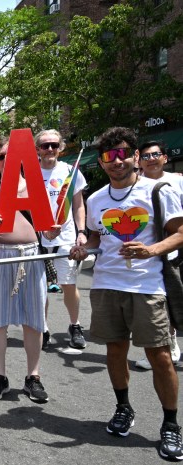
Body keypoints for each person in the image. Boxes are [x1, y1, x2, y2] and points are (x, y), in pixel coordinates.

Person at [70, 127, 183, 461]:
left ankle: (170, 425)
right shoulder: (96, 199)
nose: (116, 162)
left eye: (122, 154)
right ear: (102, 162)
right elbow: (95, 239)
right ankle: (123, 408)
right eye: (109, 156)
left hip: (147, 287)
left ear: (135, 156)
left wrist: (151, 250)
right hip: (105, 285)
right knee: (115, 351)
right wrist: (82, 248)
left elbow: (179, 233)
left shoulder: (158, 190)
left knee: (159, 356)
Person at [0, 137, 51, 404]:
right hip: (0, 257)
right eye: (0, 156)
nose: (6, 159)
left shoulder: (35, 188)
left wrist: (54, 231)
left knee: (33, 320)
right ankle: (0, 376)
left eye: (10, 154)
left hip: (31, 257)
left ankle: (33, 376)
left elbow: (49, 226)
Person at [36, 129, 88, 350]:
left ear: (61, 147)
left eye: (54, 145)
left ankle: (75, 325)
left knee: (68, 284)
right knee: (39, 288)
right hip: (37, 239)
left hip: (65, 238)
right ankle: (43, 328)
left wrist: (82, 231)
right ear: (37, 148)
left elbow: (78, 205)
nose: (49, 149)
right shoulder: (28, 174)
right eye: (45, 145)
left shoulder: (70, 171)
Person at [135, 139, 183, 370]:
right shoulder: (135, 186)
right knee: (162, 303)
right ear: (139, 161)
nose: (151, 159)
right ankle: (169, 345)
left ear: (165, 157)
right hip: (155, 256)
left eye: (155, 154)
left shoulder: (177, 181)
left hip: (178, 248)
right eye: (145, 156)